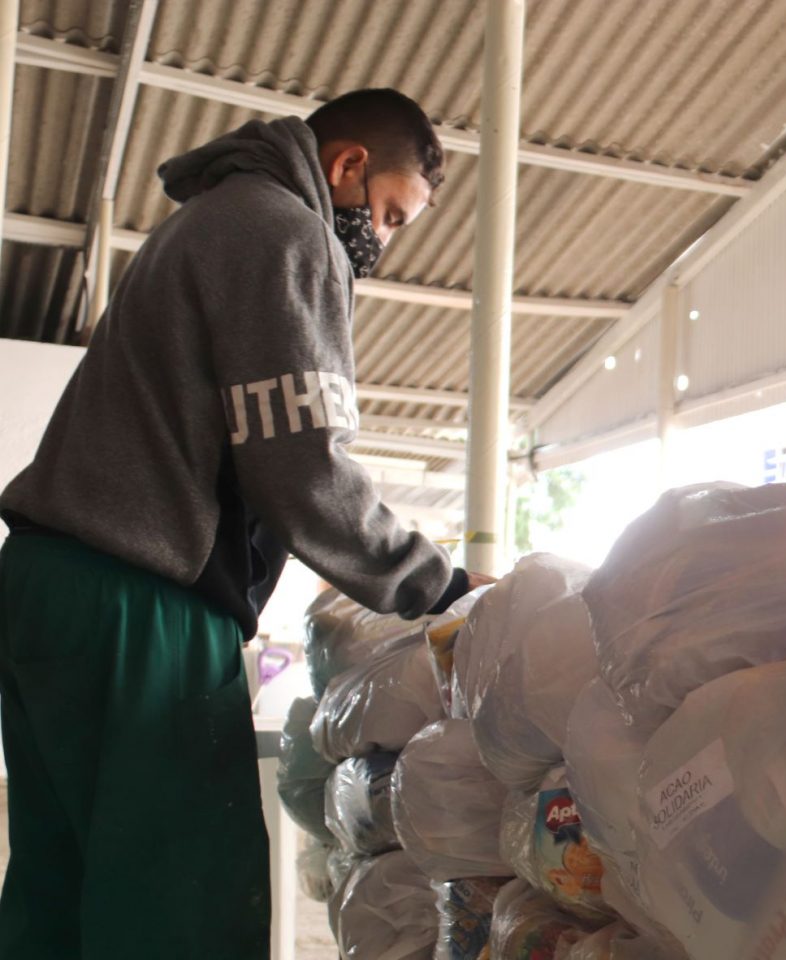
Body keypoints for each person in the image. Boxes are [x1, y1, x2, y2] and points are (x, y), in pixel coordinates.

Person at [0, 88, 484, 958]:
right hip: (139, 600)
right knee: (177, 899)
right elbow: (305, 466)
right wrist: (439, 586)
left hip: (46, 585)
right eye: (388, 214)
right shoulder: (284, 231)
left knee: (60, 887)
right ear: (345, 167)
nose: (384, 239)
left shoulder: (205, 220)